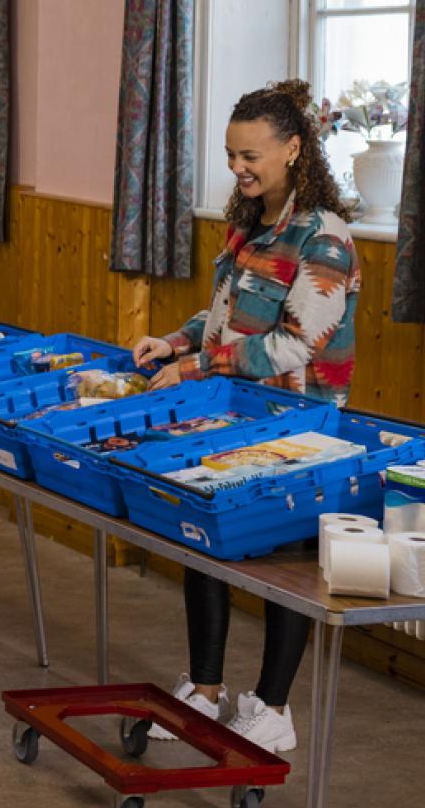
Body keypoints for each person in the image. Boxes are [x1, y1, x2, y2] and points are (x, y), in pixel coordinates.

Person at [131, 80, 360, 755]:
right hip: (235, 419)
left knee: (284, 562)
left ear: (293, 149)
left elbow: (295, 343)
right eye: (232, 155)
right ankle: (205, 690)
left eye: (251, 155)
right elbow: (226, 316)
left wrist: (200, 367)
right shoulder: (250, 226)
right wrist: (177, 341)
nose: (239, 168)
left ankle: (273, 707)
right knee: (206, 538)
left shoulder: (326, 241)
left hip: (303, 430)